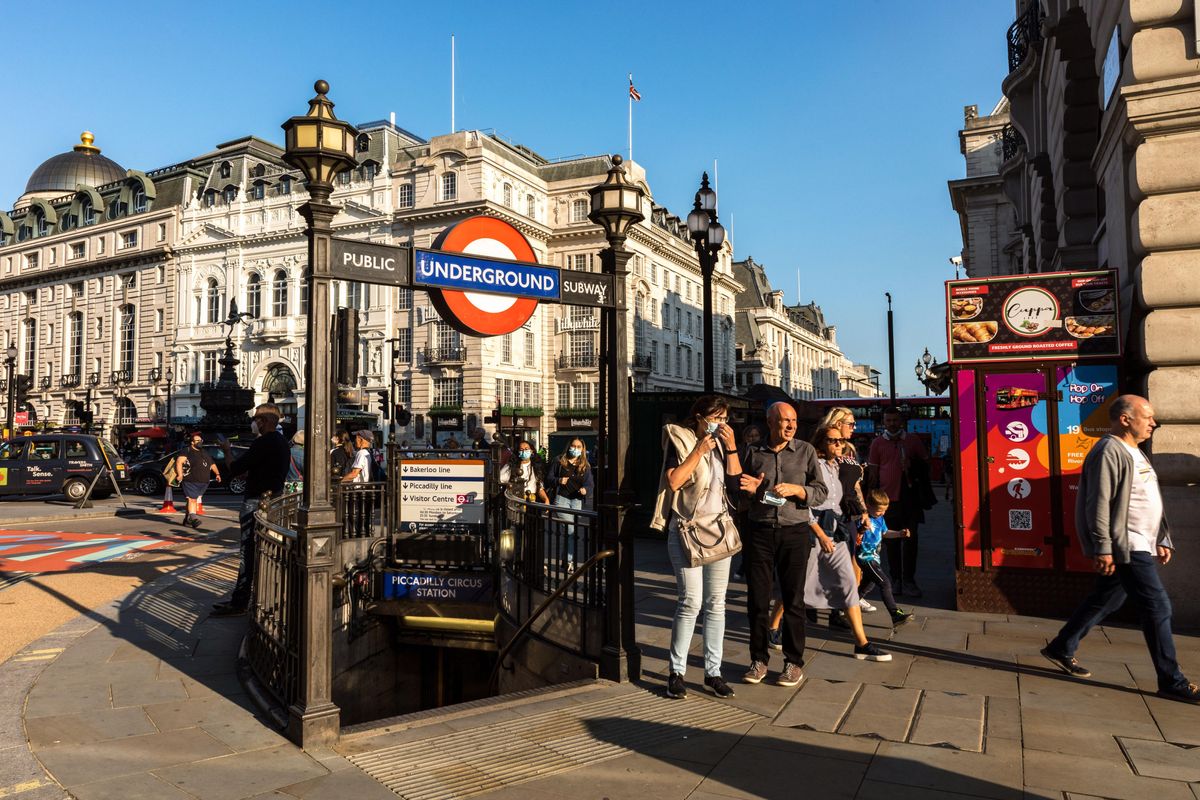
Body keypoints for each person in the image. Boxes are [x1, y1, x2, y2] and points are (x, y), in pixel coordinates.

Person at [1041, 395, 1199, 704]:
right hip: (1126, 543)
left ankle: (1062, 646)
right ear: (1125, 419)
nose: (1154, 422)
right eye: (1147, 416)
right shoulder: (1108, 450)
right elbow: (1097, 502)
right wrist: (1103, 547)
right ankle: (1172, 681)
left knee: (1106, 598)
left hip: (1142, 541)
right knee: (1159, 607)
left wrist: (1162, 536)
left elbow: (1147, 498)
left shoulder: (1135, 451)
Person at [649, 395, 742, 699]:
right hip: (687, 530)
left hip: (717, 530)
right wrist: (700, 449)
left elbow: (735, 482)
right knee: (690, 602)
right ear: (699, 418)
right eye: (716, 417)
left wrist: (730, 448)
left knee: (717, 604)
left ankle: (713, 672)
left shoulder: (723, 447)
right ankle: (676, 672)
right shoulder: (682, 439)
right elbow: (674, 481)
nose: (721, 423)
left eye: (725, 418)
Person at [739, 401, 826, 688]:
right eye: (784, 420)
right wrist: (753, 491)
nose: (790, 426)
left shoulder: (806, 451)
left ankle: (793, 662)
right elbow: (741, 494)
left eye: (794, 421)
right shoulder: (753, 452)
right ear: (769, 421)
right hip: (760, 531)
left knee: (793, 600)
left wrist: (799, 490)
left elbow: (821, 492)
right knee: (758, 600)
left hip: (794, 531)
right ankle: (759, 659)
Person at [802, 425, 892, 661]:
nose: (838, 444)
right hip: (815, 531)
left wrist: (861, 514)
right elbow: (804, 504)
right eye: (833, 441)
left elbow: (845, 496)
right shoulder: (813, 466)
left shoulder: (836, 466)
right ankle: (773, 627)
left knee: (849, 582)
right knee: (798, 584)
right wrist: (820, 533)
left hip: (837, 530)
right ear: (821, 442)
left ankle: (861, 643)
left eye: (840, 440)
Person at [211, 404, 290, 616]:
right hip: (274, 500)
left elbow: (236, 469)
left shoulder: (262, 443)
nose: (253, 422)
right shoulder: (282, 442)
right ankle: (263, 597)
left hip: (255, 502)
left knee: (248, 551)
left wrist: (227, 451)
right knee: (266, 550)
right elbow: (264, 472)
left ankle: (240, 602)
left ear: (264, 421)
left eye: (256, 418)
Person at [868, 407, 929, 597]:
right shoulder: (877, 443)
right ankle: (896, 580)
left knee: (911, 540)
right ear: (883, 422)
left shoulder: (912, 440)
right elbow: (873, 472)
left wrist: (912, 465)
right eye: (888, 421)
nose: (892, 424)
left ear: (901, 421)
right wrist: (870, 498)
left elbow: (925, 464)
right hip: (888, 500)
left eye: (895, 420)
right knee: (891, 542)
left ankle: (909, 580)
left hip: (910, 498)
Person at [857, 489, 914, 627]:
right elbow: (858, 534)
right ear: (868, 506)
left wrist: (899, 534)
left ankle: (845, 606)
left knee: (867, 585)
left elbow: (885, 533)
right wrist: (863, 529)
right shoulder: (863, 519)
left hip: (875, 558)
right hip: (865, 557)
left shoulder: (880, 519)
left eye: (884, 511)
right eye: (878, 511)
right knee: (885, 583)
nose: (882, 514)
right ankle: (895, 615)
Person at [546, 438, 595, 568]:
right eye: (573, 446)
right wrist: (559, 480)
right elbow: (549, 478)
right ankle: (569, 561)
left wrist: (586, 490)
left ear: (583, 449)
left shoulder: (585, 465)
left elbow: (590, 483)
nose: (576, 448)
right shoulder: (559, 461)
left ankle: (565, 559)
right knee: (571, 529)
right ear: (568, 447)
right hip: (561, 499)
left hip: (577, 501)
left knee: (570, 532)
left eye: (579, 446)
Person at [178, 431, 219, 530]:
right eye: (197, 440)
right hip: (190, 480)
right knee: (192, 499)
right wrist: (180, 475)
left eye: (201, 440)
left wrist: (217, 474)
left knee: (192, 499)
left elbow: (212, 464)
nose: (200, 442)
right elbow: (179, 462)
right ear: (192, 442)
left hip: (203, 482)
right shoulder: (187, 450)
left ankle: (187, 518)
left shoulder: (204, 452)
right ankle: (194, 518)